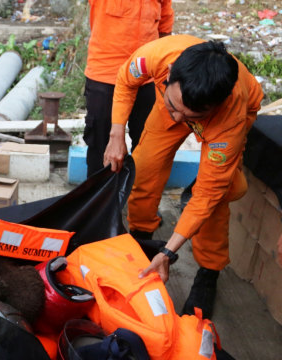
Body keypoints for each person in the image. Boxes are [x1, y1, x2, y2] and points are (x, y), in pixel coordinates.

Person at [103, 35, 263, 319]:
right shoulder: (158, 56)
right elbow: (125, 81)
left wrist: (169, 252)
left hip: (221, 124)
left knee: (217, 194)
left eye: (189, 115)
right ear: (170, 75)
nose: (179, 121)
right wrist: (117, 134)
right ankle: (141, 236)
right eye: (175, 105)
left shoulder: (230, 117)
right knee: (144, 167)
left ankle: (209, 272)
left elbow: (207, 195)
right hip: (177, 103)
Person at [82, 0, 173, 177]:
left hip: (146, 76)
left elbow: (165, 24)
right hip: (106, 76)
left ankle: (137, 198)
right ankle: (100, 201)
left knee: (146, 145)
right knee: (101, 147)